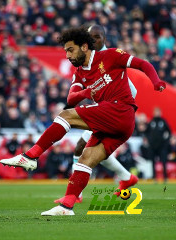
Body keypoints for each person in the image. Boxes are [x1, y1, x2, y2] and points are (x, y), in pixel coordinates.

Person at [0, 26, 166, 215]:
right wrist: (86, 92)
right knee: (85, 158)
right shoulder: (80, 72)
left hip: (120, 109)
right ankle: (67, 206)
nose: (68, 56)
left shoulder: (110, 56)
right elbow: (71, 98)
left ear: (85, 47)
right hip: (117, 125)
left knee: (66, 116)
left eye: (71, 50)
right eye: (66, 51)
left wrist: (156, 81)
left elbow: (143, 64)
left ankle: (30, 156)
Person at [54, 25, 139, 204]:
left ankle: (76, 193)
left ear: (104, 38)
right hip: (104, 111)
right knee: (90, 150)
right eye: (91, 37)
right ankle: (125, 177)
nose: (95, 40)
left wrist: (119, 108)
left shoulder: (111, 57)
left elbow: (132, 89)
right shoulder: (86, 60)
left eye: (97, 37)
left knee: (83, 148)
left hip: (114, 114)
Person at [146, 107, 171, 181]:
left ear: (160, 113)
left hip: (162, 146)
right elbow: (147, 132)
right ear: (153, 113)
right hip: (153, 146)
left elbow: (169, 132)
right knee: (153, 162)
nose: (157, 113)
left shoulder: (163, 121)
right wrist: (149, 141)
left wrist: (165, 141)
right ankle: (154, 177)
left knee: (163, 161)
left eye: (158, 112)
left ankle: (165, 177)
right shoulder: (151, 122)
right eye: (155, 112)